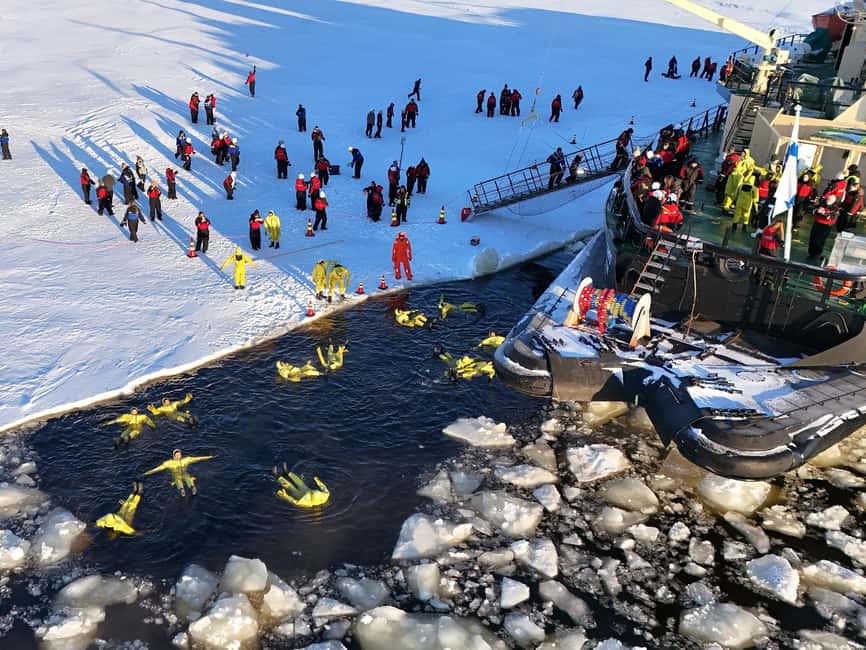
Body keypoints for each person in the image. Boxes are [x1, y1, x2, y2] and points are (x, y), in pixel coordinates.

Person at [144, 449, 213, 497]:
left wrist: (209, 457)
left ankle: (192, 488)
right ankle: (183, 490)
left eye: (179, 455)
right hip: (177, 476)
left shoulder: (186, 460)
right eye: (177, 455)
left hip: (183, 474)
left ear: (181, 455)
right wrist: (148, 472)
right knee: (179, 480)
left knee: (187, 478)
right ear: (174, 456)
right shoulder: (169, 463)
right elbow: (158, 469)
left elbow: (199, 458)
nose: (178, 456)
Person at [809, 195, 841, 260]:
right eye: (828, 199)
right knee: (813, 237)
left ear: (834, 201)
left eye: (830, 200)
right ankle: (811, 252)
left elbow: (832, 218)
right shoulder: (822, 204)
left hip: (826, 226)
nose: (828, 201)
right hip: (817, 223)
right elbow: (813, 210)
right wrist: (817, 210)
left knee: (819, 240)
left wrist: (824, 213)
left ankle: (816, 254)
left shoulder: (835, 208)